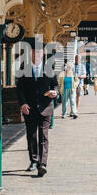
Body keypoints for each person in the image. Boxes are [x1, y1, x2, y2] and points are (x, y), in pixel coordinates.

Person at [17, 47, 58, 177]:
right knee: (32, 135)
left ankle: (42, 164)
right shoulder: (24, 69)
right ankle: (33, 161)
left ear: (43, 54)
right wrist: (23, 103)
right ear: (31, 54)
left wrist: (55, 92)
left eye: (39, 52)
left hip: (45, 107)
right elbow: (20, 89)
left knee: (43, 136)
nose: (37, 55)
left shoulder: (49, 69)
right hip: (29, 109)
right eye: (34, 52)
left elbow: (55, 85)